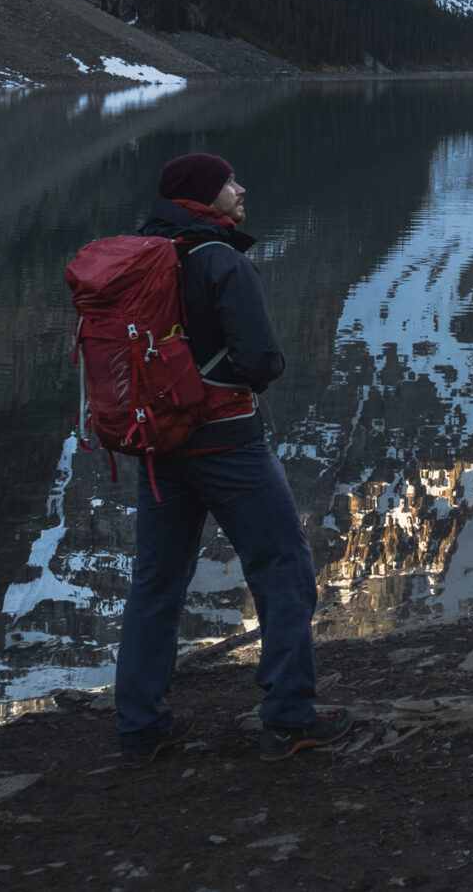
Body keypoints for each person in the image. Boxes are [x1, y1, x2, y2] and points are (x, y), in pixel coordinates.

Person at [114, 152, 348, 769]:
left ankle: (142, 724)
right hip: (226, 440)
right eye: (228, 183)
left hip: (160, 443)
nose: (241, 190)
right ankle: (290, 717)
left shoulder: (142, 254)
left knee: (157, 580)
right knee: (282, 565)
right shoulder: (220, 258)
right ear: (203, 196)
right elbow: (262, 360)